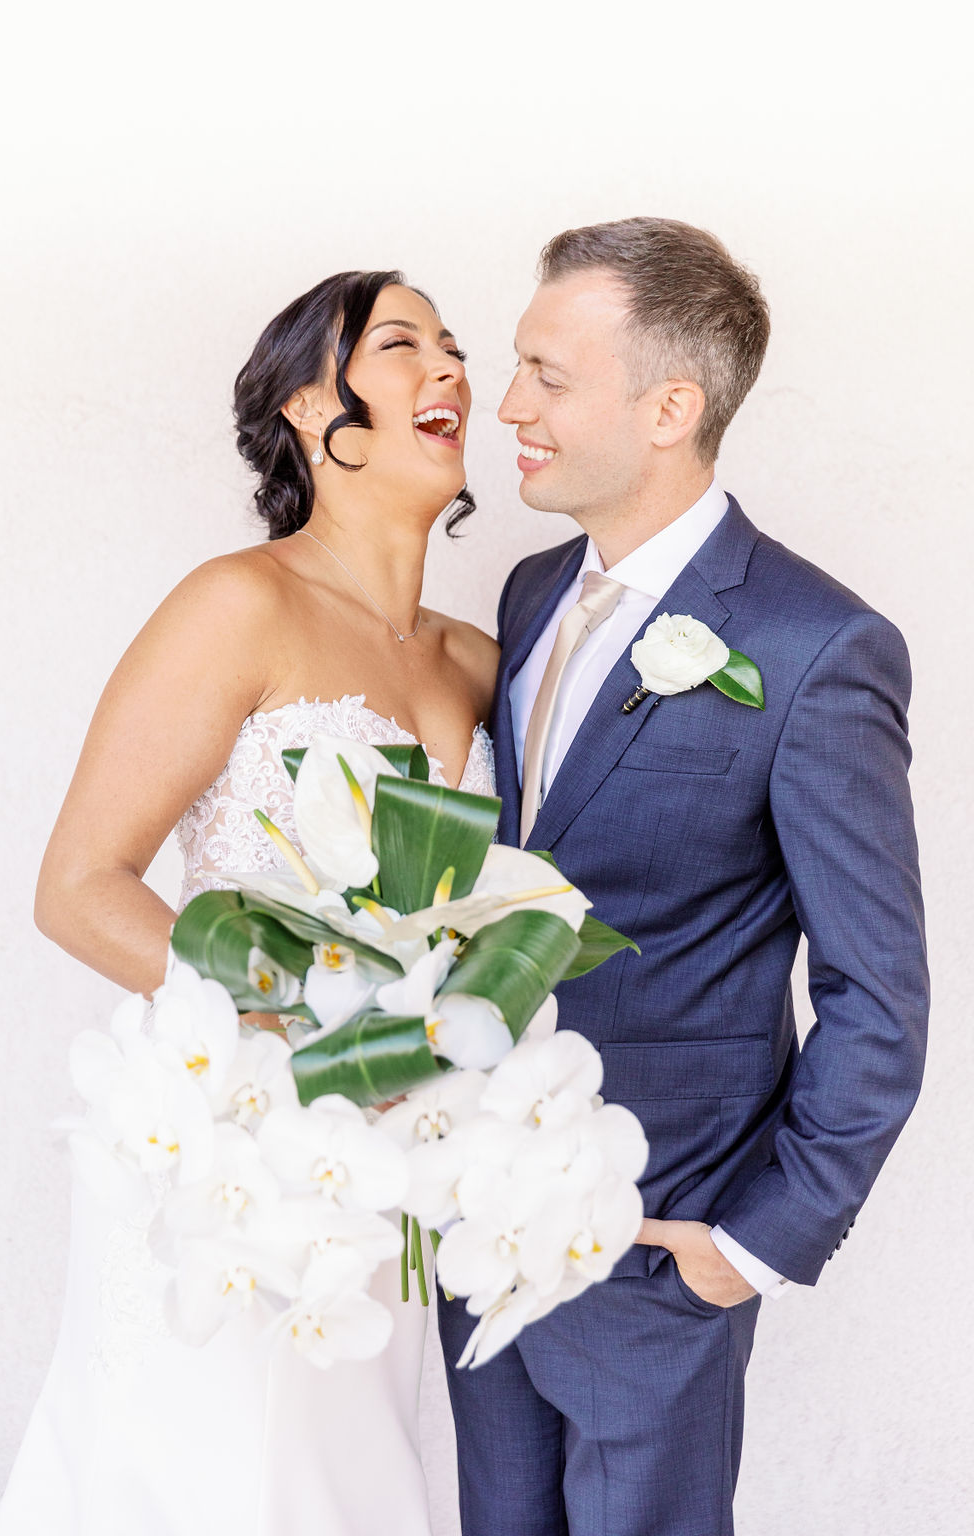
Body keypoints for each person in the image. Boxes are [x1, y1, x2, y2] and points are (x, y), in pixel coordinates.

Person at [439, 217, 929, 1536]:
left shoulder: (819, 648)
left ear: (671, 406)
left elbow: (881, 1000)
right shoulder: (534, 592)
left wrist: (749, 1246)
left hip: (661, 1247)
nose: (508, 406)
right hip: (483, 1227)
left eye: (549, 375)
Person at [0, 270, 497, 1536]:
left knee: (353, 1484)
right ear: (309, 406)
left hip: (393, 1159)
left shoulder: (478, 662)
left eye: (453, 349)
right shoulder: (238, 604)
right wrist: (302, 1031)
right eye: (401, 345)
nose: (449, 371)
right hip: (232, 1144)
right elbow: (78, 888)